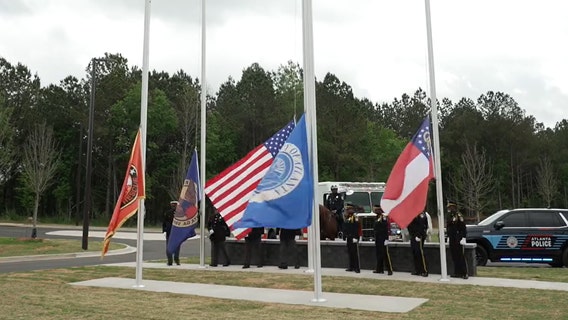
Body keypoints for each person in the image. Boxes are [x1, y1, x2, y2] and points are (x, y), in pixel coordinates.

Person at [447, 200, 469, 279]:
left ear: (454, 207)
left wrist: (463, 237)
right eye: (449, 207)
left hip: (458, 238)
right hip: (452, 238)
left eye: (451, 207)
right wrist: (449, 237)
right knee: (454, 256)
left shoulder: (459, 215)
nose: (449, 208)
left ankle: (464, 273)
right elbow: (449, 227)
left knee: (461, 256)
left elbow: (463, 227)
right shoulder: (449, 216)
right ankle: (457, 272)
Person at [372, 205, 393, 275]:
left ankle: (390, 270)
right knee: (379, 254)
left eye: (376, 210)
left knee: (385, 254)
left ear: (379, 210)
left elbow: (385, 228)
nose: (374, 211)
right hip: (378, 238)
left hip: (383, 238)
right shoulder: (377, 217)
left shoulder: (383, 218)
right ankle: (379, 269)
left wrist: (386, 239)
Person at [408, 211, 429, 277]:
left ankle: (424, 270)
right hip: (413, 235)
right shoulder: (411, 213)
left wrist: (419, 235)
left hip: (419, 236)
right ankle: (417, 270)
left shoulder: (421, 214)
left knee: (420, 253)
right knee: (415, 253)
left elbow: (422, 225)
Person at [343, 206, 362, 273]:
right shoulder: (348, 218)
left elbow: (356, 228)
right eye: (347, 210)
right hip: (349, 237)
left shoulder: (355, 217)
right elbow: (346, 227)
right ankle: (351, 266)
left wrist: (356, 237)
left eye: (348, 210)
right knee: (350, 252)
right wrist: (344, 235)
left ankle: (357, 268)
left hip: (354, 237)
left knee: (355, 253)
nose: (347, 211)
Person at [162, 200, 180, 266]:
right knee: (169, 247)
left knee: (177, 247)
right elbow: (164, 222)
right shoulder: (168, 213)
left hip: (177, 232)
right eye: (172, 205)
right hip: (169, 232)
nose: (173, 206)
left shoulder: (180, 213)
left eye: (175, 205)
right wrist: (164, 230)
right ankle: (170, 261)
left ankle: (176, 259)